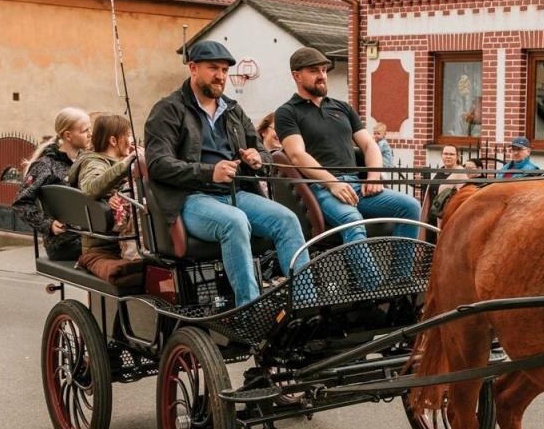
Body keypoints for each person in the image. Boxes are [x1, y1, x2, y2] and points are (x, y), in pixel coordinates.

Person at [145, 41, 306, 306]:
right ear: (193, 68)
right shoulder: (168, 109)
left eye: (224, 70)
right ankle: (248, 309)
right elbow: (158, 164)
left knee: (287, 219)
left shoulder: (232, 110)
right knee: (234, 221)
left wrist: (258, 159)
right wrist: (210, 173)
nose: (221, 76)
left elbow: (262, 151)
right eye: (213, 68)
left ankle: (303, 303)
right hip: (191, 198)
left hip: (235, 194)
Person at [276, 46, 421, 265]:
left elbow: (370, 145)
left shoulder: (342, 108)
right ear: (296, 76)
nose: (322, 75)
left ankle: (400, 278)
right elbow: (296, 154)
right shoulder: (288, 112)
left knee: (410, 206)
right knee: (352, 221)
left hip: (356, 185)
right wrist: (333, 183)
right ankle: (371, 285)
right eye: (314, 71)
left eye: (324, 70)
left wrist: (374, 176)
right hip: (321, 189)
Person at [67, 114, 144, 284]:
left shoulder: (113, 160)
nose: (131, 140)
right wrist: (125, 164)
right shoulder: (93, 162)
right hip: (104, 245)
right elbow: (90, 188)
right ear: (113, 140)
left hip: (117, 239)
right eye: (128, 135)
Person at [14, 107, 92, 261]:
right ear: (68, 135)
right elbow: (20, 203)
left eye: (90, 129)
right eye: (85, 131)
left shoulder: (88, 160)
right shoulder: (46, 166)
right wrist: (47, 224)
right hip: (65, 243)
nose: (91, 134)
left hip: (91, 235)